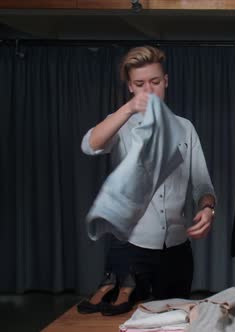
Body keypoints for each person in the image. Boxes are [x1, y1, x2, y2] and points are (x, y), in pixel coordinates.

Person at [79, 46, 216, 313]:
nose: (149, 91)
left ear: (166, 81)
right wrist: (129, 109)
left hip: (178, 250)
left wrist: (208, 208)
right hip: (132, 248)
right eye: (140, 84)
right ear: (130, 86)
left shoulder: (185, 128)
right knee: (129, 322)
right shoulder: (120, 124)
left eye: (155, 82)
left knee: (175, 322)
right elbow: (89, 145)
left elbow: (203, 186)